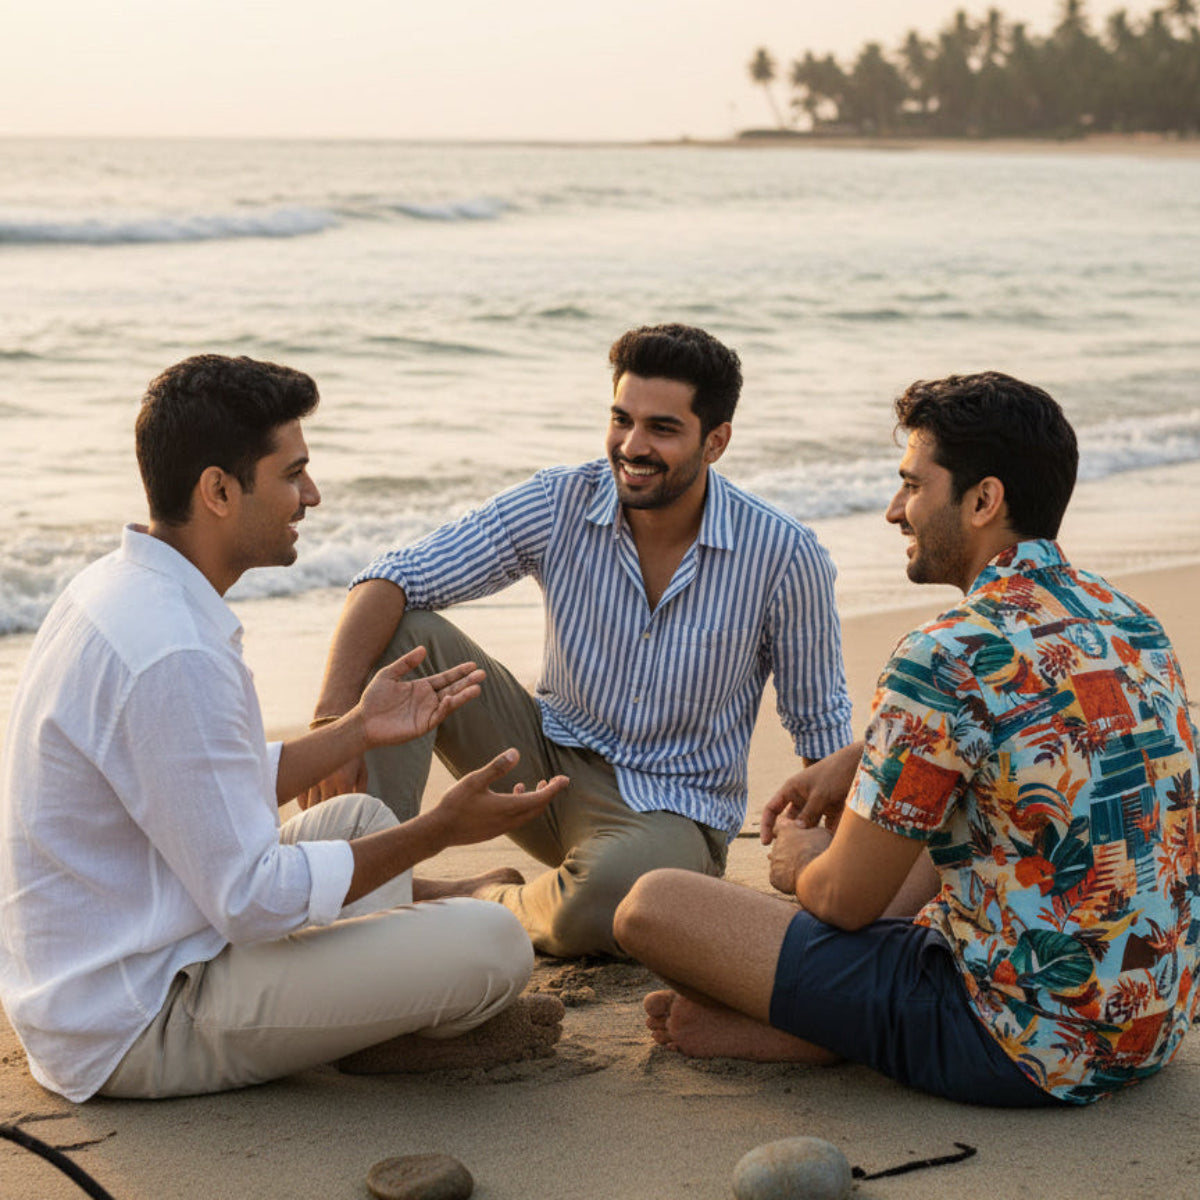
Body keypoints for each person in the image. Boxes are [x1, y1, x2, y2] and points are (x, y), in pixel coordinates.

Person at [614, 371, 1200, 1106]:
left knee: (653, 905)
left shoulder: (946, 651)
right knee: (942, 825)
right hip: (1153, 1021)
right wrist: (865, 755)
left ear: (984, 500)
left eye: (912, 485)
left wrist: (804, 865)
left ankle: (825, 1027)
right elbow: (1040, 727)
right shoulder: (1129, 619)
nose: (895, 509)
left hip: (1019, 1046)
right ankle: (824, 1012)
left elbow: (845, 904)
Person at [0, 354, 569, 1103]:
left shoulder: (119, 586)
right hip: (138, 1020)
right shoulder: (173, 650)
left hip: (128, 950)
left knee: (359, 816)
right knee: (494, 945)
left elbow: (196, 784)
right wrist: (439, 828)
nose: (312, 494)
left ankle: (365, 1006)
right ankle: (376, 1032)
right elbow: (251, 900)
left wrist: (357, 731)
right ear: (219, 490)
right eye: (292, 473)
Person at [306, 324, 853, 958]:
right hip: (542, 764)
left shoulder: (783, 554)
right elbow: (391, 578)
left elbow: (820, 725)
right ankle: (369, 878)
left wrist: (833, 867)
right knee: (401, 634)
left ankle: (476, 900)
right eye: (621, 419)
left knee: (607, 904)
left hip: (671, 813)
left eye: (662, 429)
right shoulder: (562, 500)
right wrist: (332, 728)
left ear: (717, 441)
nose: (632, 445)